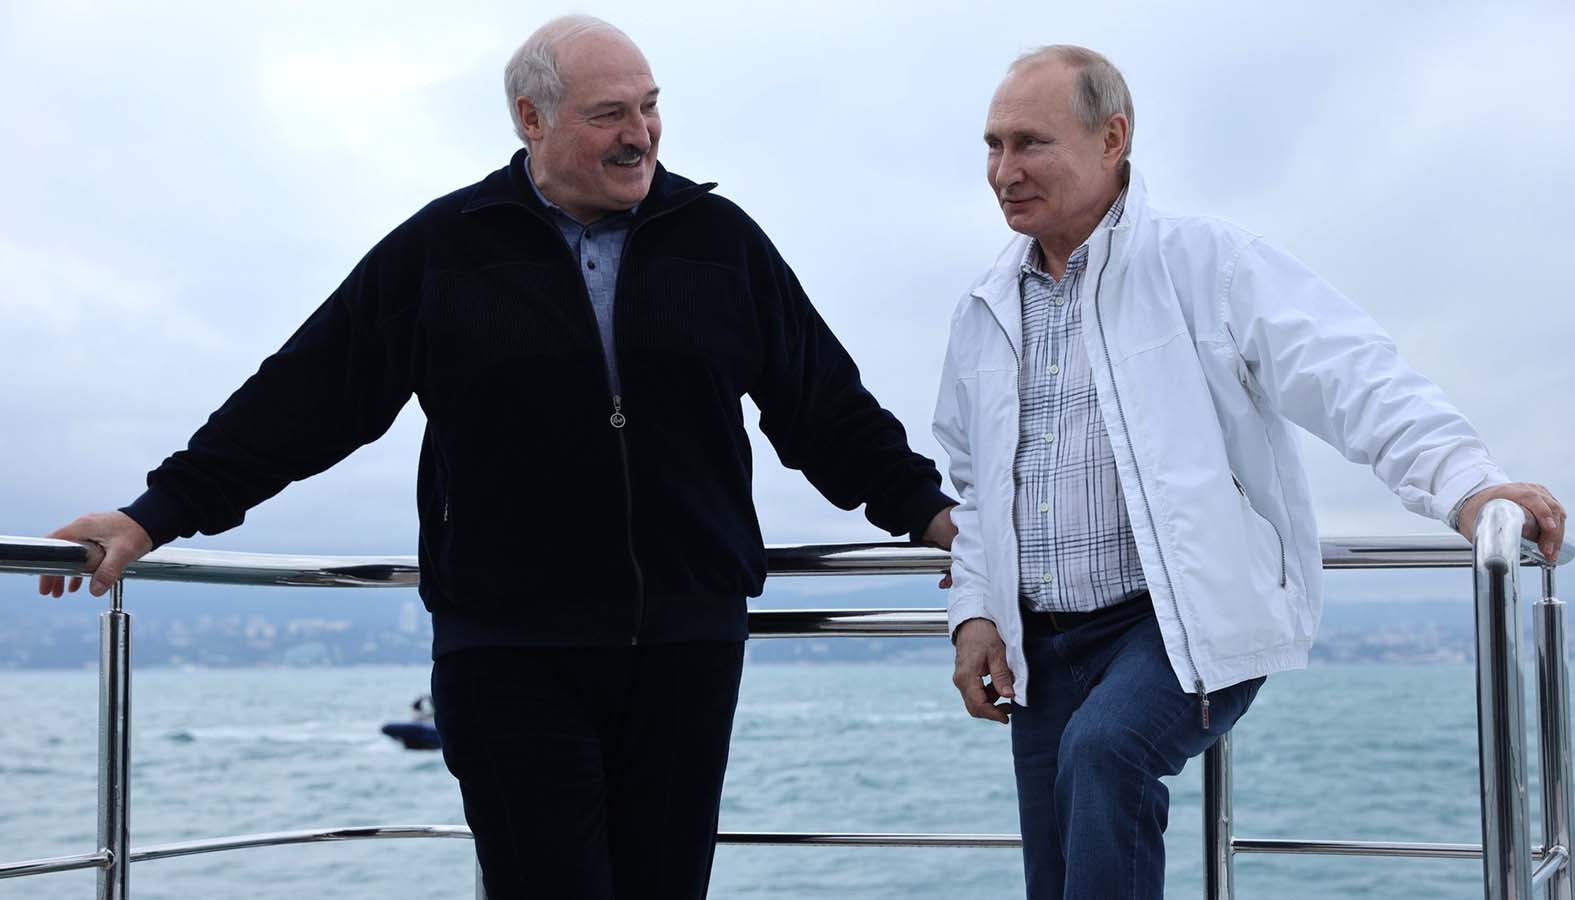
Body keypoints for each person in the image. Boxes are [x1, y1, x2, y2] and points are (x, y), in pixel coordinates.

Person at [38, 16, 957, 898]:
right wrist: (154, 515)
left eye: (650, 106)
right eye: (610, 114)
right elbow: (302, 401)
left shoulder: (723, 243)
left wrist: (930, 514)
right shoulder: (445, 249)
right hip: (511, 653)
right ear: (532, 118)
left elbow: (825, 406)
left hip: (687, 646)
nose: (641, 134)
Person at [932, 45, 1566, 900]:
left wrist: (1467, 485)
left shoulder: (1208, 264)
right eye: (994, 145)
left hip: (1176, 626)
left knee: (1107, 751)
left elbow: (1351, 375)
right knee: (1059, 877)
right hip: (1040, 643)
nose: (1004, 171)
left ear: (1112, 138)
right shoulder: (983, 309)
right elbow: (976, 486)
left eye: (1030, 143)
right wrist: (975, 613)